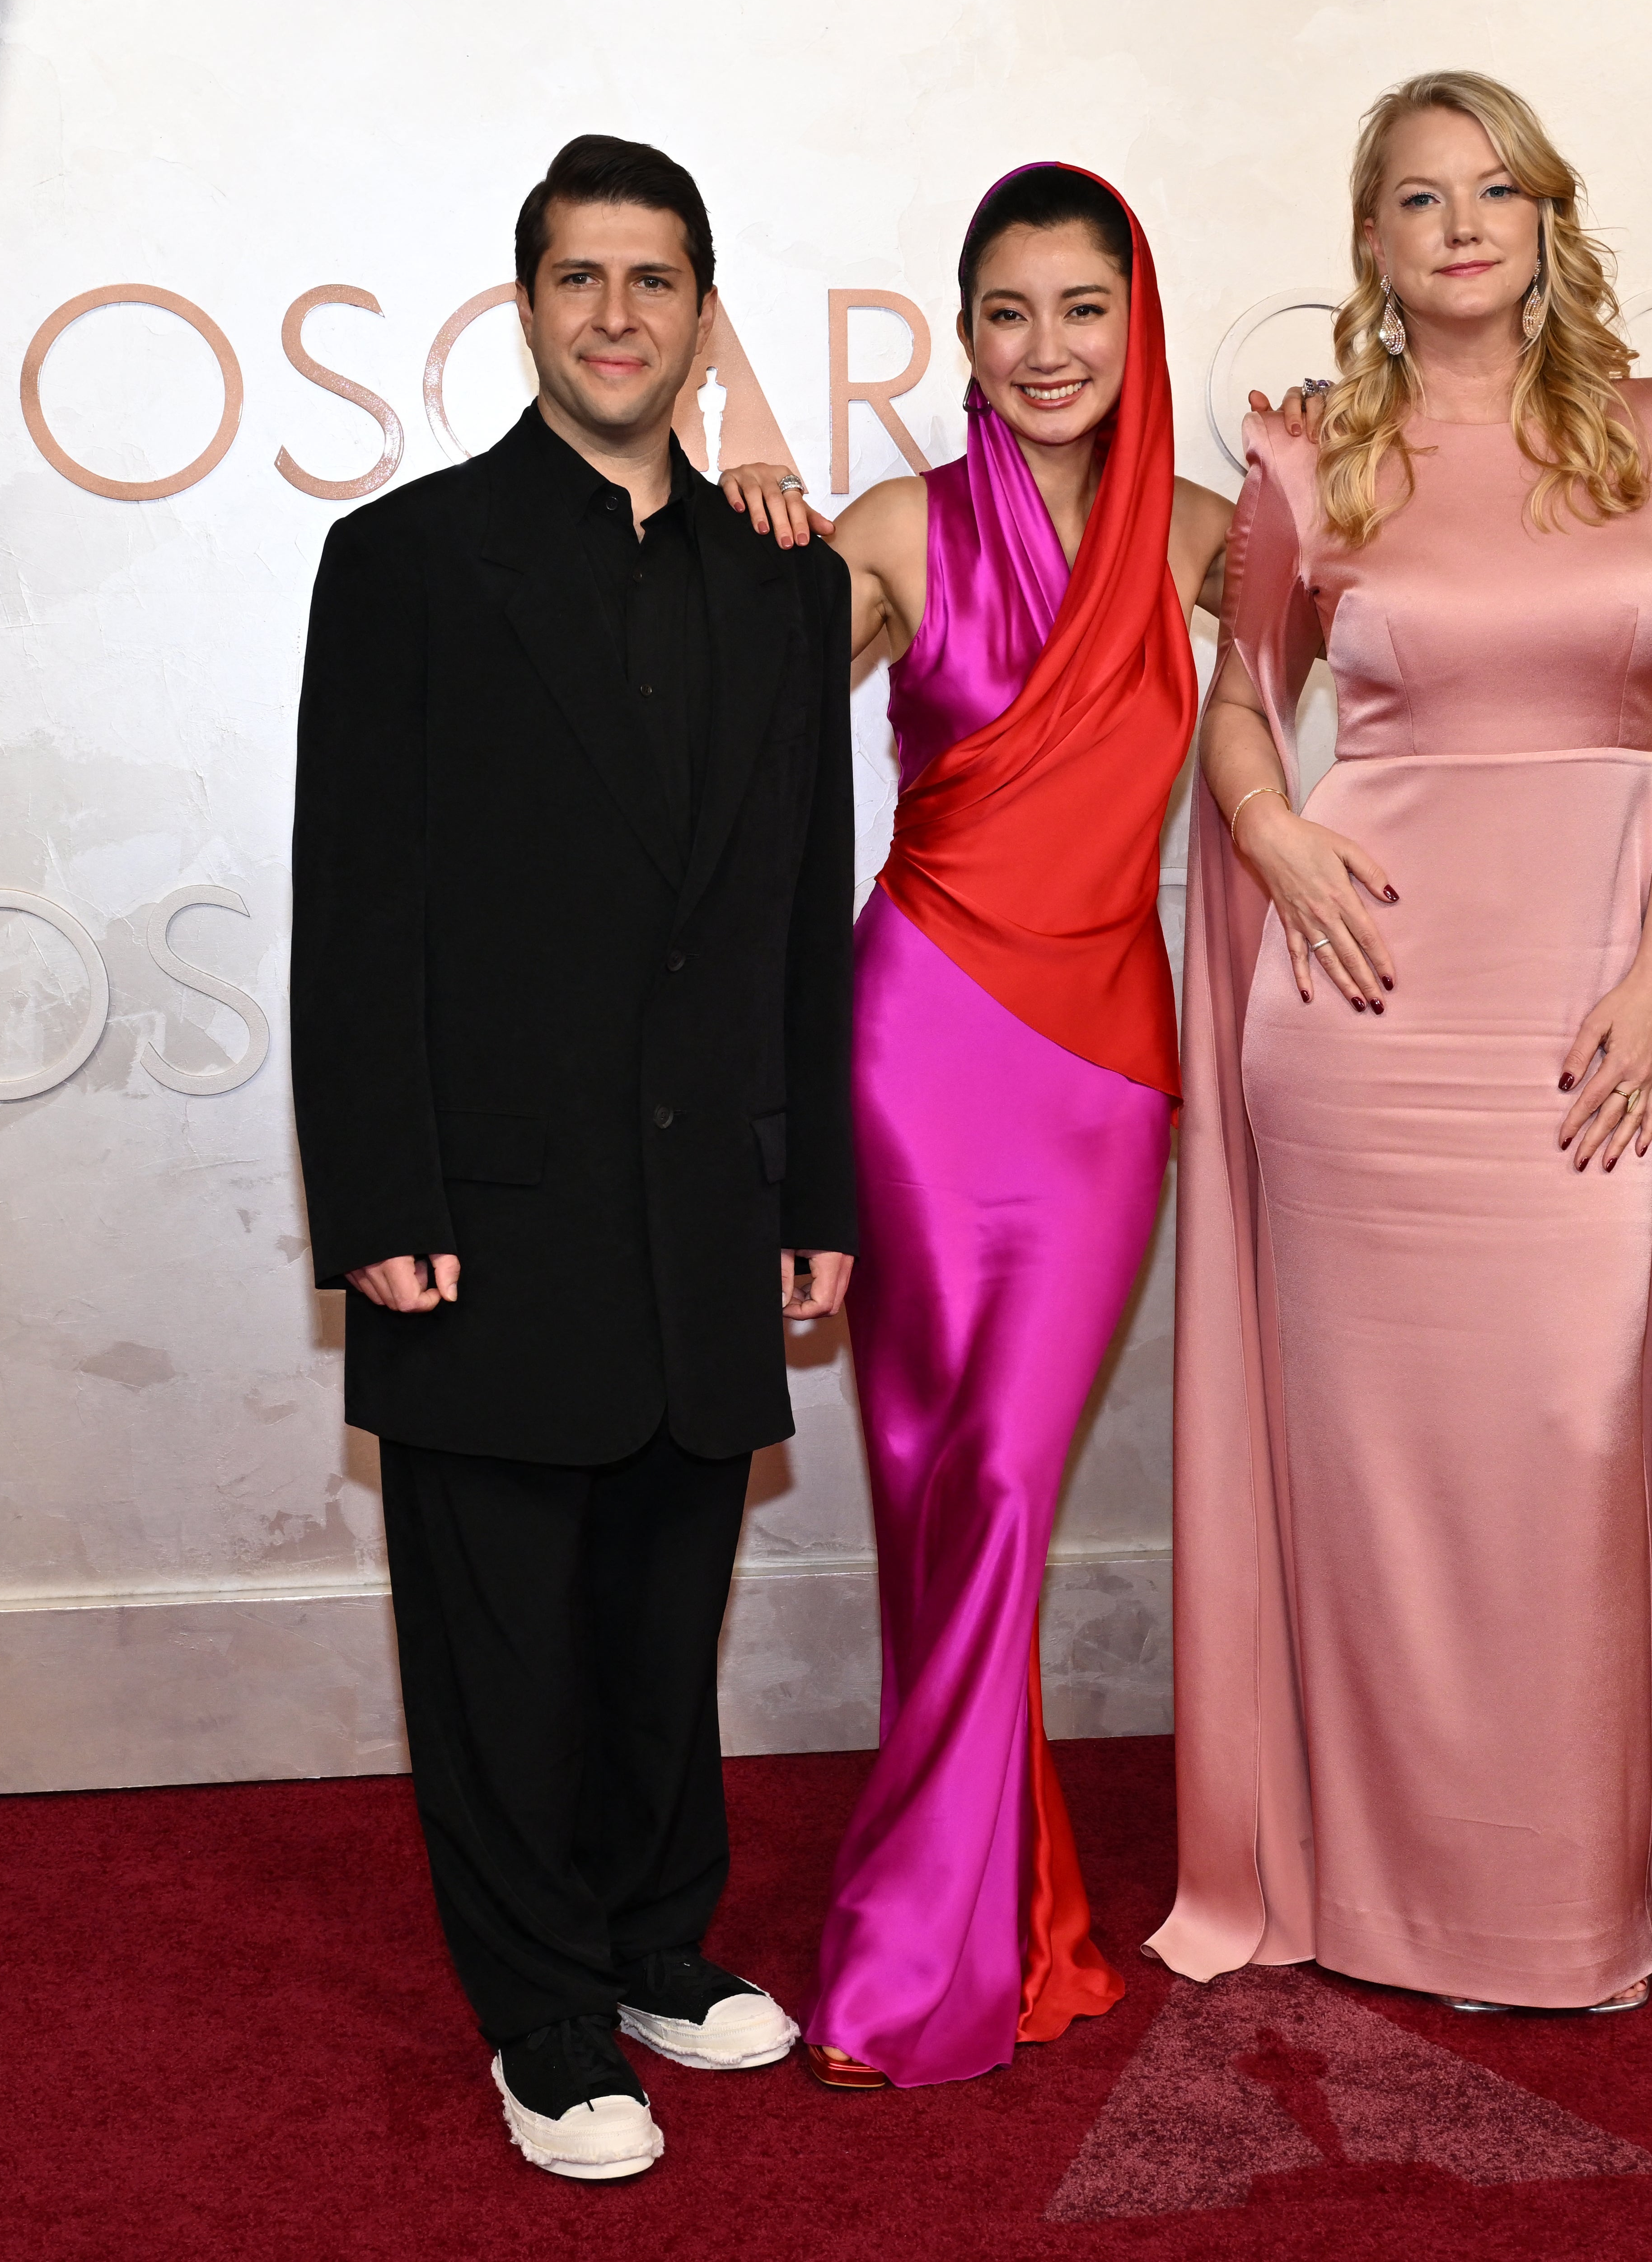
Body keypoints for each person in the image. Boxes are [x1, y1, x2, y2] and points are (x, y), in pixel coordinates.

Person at [1150, 73, 1652, 2022]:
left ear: (1550, 217)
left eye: (1497, 189)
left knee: (1568, 1444)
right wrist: (1279, 834)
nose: (1462, 224)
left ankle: (1556, 1907)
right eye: (1416, 198)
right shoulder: (1312, 463)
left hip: (1587, 1014)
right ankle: (1390, 1903)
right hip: (1369, 1028)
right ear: (1367, 246)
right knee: (1381, 1477)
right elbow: (1242, 707)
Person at [288, 132, 856, 2183]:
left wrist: (818, 1206)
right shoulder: (415, 562)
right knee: (503, 1646)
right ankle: (539, 2018)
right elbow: (353, 918)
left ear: (705, 317)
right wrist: (380, 1208)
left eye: (656, 280)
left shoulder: (784, 589)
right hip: (491, 1224)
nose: (618, 314)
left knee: (656, 1618)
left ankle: (647, 1945)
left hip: (708, 1215)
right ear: (525, 306)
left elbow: (805, 914)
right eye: (579, 279)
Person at [796, 163, 1231, 2090]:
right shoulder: (897, 522)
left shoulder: (1216, 535)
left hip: (1099, 1078)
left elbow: (1425, 654)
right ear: (962, 331)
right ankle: (1004, 1912)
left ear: (1139, 327)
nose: (1045, 350)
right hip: (914, 1044)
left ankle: (920, 1945)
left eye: (1084, 310)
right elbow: (716, 728)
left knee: (1001, 1484)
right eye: (1007, 313)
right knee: (921, 1480)